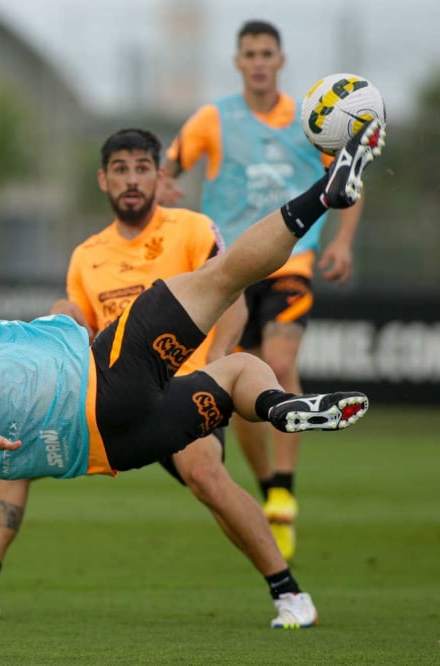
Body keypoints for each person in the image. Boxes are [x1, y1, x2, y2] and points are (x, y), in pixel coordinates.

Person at [0, 119, 384, 659]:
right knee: (224, 278)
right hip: (106, 378)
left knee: (234, 375)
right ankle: (325, 194)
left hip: (112, 446)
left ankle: (278, 407)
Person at [0, 128, 306, 626]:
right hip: (109, 390)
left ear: (160, 176)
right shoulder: (87, 254)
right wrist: (58, 322)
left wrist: (212, 364)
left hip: (182, 383)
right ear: (103, 179)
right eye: (120, 169)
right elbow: (77, 326)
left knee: (205, 475)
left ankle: (288, 593)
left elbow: (232, 297)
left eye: (142, 168)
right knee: (15, 445)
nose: (131, 179)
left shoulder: (192, 229)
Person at [160, 20, 365, 560]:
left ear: (280, 60)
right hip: (232, 268)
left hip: (291, 261)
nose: (257, 61)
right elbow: (169, 163)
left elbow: (349, 180)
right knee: (237, 380)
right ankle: (271, 485)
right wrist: (164, 181)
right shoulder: (214, 118)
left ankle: (285, 488)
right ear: (237, 61)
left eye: (266, 53)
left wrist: (341, 242)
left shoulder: (312, 121)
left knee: (279, 354)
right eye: (248, 53)